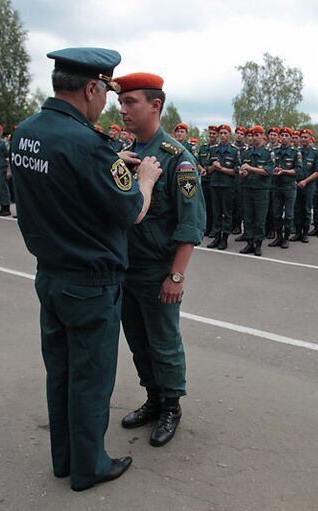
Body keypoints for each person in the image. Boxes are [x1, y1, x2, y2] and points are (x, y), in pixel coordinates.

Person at [12, 47, 162, 492]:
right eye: (105, 93)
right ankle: (90, 465)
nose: (106, 104)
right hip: (90, 283)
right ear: (92, 87)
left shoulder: (27, 132)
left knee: (59, 372)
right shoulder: (86, 143)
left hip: (51, 274)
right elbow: (132, 210)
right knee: (91, 377)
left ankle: (65, 459)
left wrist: (113, 167)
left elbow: (62, 182)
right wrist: (145, 178)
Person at [112, 72, 205, 447]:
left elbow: (191, 224)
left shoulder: (177, 160)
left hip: (158, 271)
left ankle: (171, 406)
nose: (122, 110)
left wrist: (176, 277)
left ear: (155, 105)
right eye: (120, 103)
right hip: (125, 268)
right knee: (137, 340)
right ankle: (152, 398)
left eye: (130, 102)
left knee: (164, 342)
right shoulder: (126, 154)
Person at [238, 125, 275, 255]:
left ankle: (258, 243)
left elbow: (268, 171)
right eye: (252, 135)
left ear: (262, 136)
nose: (254, 138)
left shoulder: (268, 153)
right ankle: (249, 242)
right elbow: (243, 170)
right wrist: (243, 173)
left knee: (259, 219)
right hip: (248, 189)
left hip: (261, 190)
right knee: (248, 218)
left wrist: (250, 168)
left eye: (257, 135)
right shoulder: (246, 153)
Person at [206, 125, 240, 250]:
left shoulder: (235, 150)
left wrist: (222, 169)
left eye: (225, 133)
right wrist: (213, 167)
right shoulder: (213, 149)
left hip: (227, 186)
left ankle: (224, 238)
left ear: (230, 134)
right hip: (215, 185)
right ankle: (217, 236)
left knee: (226, 213)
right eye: (221, 133)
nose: (223, 135)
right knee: (216, 212)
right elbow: (207, 170)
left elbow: (236, 171)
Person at [269, 127, 301, 249]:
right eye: (282, 135)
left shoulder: (295, 153)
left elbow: (298, 170)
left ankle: (286, 238)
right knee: (276, 213)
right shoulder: (274, 151)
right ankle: (278, 236)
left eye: (286, 135)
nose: (284, 138)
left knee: (288, 214)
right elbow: (270, 166)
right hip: (276, 186)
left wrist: (285, 171)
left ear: (290, 137)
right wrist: (275, 170)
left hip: (289, 186)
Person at [292, 128, 318, 242]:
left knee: (306, 209)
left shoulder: (315, 153)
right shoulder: (296, 152)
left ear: (310, 138)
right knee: (297, 208)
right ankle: (297, 232)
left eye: (306, 137)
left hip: (308, 185)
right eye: (302, 137)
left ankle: (305, 233)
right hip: (296, 184)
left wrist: (305, 181)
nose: (303, 139)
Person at [196, 126, 218, 237]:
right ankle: (207, 227)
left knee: (215, 206)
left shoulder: (218, 149)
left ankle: (214, 228)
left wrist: (209, 169)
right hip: (204, 179)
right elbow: (197, 161)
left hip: (214, 180)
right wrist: (201, 169)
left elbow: (217, 164)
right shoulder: (203, 148)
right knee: (206, 205)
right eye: (210, 134)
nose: (212, 136)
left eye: (214, 133)